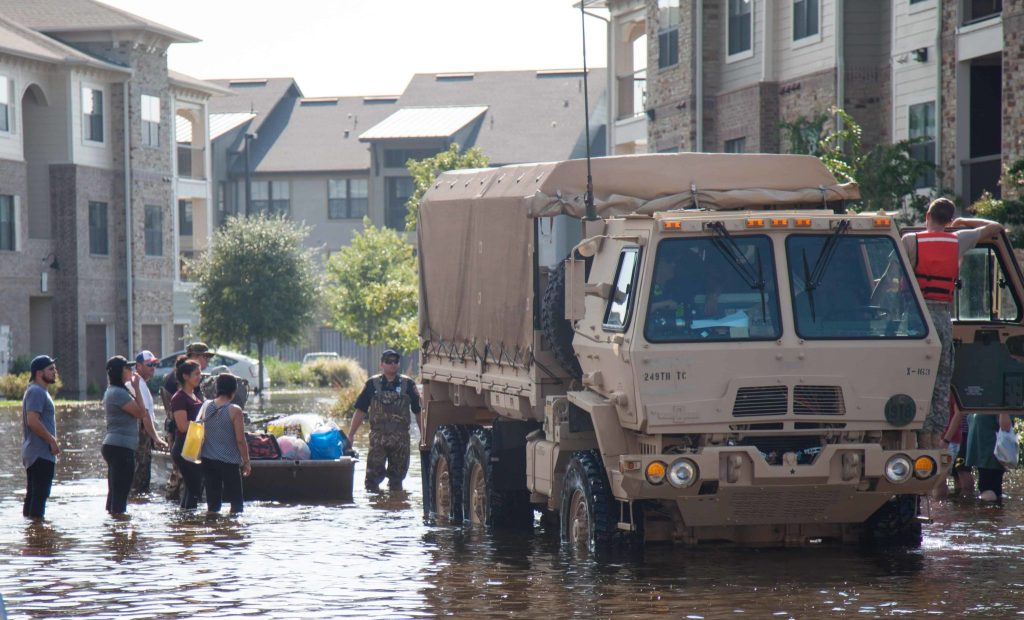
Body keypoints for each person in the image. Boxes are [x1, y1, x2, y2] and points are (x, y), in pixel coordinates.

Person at [902, 198, 1003, 449]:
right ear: (948, 221)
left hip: (914, 319)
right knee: (940, 379)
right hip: (942, 317)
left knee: (910, 376)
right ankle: (933, 438)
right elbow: (996, 226)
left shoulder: (910, 241)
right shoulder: (958, 239)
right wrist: (964, 222)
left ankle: (910, 431)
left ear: (927, 215)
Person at [101, 356, 167, 515]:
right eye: (127, 368)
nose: (131, 371)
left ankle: (113, 529)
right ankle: (119, 531)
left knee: (115, 492)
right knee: (121, 493)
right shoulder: (119, 393)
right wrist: (137, 387)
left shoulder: (115, 391)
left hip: (116, 445)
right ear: (119, 372)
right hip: (120, 447)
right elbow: (141, 412)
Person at [348, 350, 421, 492]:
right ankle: (377, 509)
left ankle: (395, 507)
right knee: (371, 483)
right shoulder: (371, 384)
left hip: (401, 441)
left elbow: (418, 412)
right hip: (378, 440)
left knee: (397, 482)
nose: (393, 364)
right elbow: (360, 411)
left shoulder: (408, 384)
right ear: (381, 364)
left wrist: (424, 436)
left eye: (396, 361)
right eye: (389, 361)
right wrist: (351, 435)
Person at [199, 373, 251, 514]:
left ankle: (213, 530)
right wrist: (246, 462)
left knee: (213, 505)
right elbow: (240, 440)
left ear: (217, 388)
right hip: (229, 461)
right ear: (233, 391)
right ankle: (233, 532)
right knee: (236, 506)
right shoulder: (235, 410)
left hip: (208, 459)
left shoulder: (206, 406)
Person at [22, 355, 59, 519]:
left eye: (54, 368)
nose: (54, 372)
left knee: (33, 496)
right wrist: (51, 440)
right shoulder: (37, 391)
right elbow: (32, 420)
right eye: (50, 369)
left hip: (37, 453)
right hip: (40, 453)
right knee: (39, 498)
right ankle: (37, 541)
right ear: (39, 373)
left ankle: (32, 536)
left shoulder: (39, 391)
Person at [169, 359, 206, 509]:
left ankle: (186, 522)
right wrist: (203, 422)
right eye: (196, 374)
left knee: (193, 488)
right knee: (195, 486)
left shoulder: (194, 396)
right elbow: (183, 426)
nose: (199, 377)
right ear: (185, 376)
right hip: (184, 448)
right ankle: (188, 522)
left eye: (200, 374)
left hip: (193, 447)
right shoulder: (179, 397)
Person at [130, 350, 161, 495]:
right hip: (141, 437)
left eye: (155, 364)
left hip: (143, 435)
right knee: (140, 478)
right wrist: (156, 437)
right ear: (139, 366)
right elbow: (145, 416)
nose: (153, 367)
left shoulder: (141, 383)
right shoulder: (138, 384)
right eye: (150, 364)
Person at [965, 413, 1012, 502]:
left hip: (993, 454)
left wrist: (1002, 410)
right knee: (988, 489)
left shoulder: (996, 402)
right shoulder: (979, 403)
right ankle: (992, 513)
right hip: (982, 455)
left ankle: (989, 514)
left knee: (988, 488)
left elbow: (1006, 427)